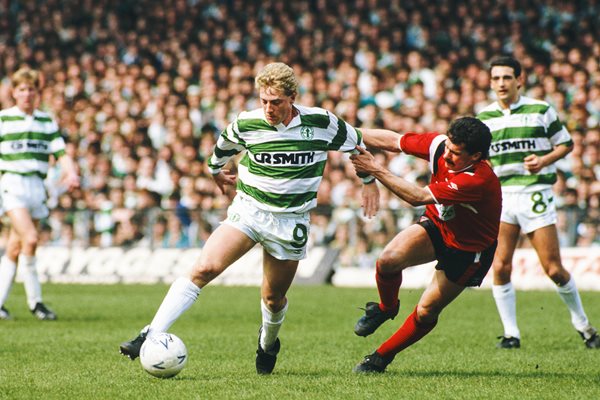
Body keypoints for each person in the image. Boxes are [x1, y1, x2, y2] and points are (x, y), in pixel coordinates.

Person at [119, 62, 380, 374]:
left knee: (273, 298)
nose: (269, 109)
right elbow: (221, 149)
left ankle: (268, 343)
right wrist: (217, 172)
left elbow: (358, 147)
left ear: (293, 97)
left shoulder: (322, 122)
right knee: (204, 268)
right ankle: (150, 333)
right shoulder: (247, 123)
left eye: (277, 102)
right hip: (250, 210)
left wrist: (369, 183)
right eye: (264, 101)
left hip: (290, 221)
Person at [349, 117, 501, 373]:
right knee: (387, 260)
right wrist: (348, 132)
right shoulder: (441, 146)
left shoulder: (478, 179)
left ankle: (380, 358)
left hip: (467, 249)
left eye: (456, 153)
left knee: (426, 310)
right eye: (449, 147)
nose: (448, 155)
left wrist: (375, 169)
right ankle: (386, 308)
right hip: (438, 226)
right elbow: (394, 141)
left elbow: (417, 197)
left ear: (475, 156)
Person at [477, 56, 600, 349]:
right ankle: (511, 334)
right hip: (503, 195)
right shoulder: (484, 118)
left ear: (520, 79)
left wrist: (543, 160)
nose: (501, 84)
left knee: (554, 269)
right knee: (501, 266)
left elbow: (566, 143)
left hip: (535, 193)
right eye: (496, 78)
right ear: (490, 82)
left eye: (507, 77)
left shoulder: (540, 110)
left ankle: (584, 326)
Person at [0, 67, 80, 321]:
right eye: (22, 89)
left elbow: (61, 153)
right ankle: (36, 303)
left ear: (37, 93)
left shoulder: (46, 121)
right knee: (31, 239)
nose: (27, 94)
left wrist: (71, 173)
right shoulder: (4, 119)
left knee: (15, 246)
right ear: (14, 92)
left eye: (31, 89)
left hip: (37, 186)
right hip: (12, 184)